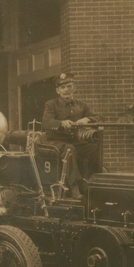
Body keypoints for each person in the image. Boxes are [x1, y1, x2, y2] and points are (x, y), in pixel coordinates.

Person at [41, 72, 101, 200]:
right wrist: (61, 123)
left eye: (69, 86)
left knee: (94, 148)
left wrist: (87, 119)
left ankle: (91, 181)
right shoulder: (51, 104)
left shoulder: (82, 105)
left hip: (74, 141)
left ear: (74, 87)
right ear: (57, 91)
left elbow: (98, 117)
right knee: (69, 149)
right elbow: (46, 122)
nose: (66, 90)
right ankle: (74, 187)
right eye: (63, 87)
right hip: (54, 142)